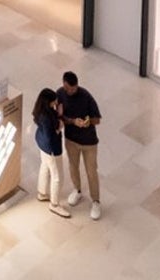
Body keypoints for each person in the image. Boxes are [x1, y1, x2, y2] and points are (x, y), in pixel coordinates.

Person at [57, 71, 103, 220]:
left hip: (89, 141)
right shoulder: (60, 94)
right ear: (64, 85)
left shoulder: (86, 96)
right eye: (68, 88)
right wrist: (72, 121)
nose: (70, 91)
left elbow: (97, 119)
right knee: (73, 165)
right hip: (71, 140)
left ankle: (96, 201)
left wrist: (87, 122)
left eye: (73, 88)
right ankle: (77, 190)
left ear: (77, 85)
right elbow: (59, 116)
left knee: (91, 171)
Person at [33, 88, 72, 218]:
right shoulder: (47, 117)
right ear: (49, 102)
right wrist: (60, 125)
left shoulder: (40, 111)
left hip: (41, 144)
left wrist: (58, 113)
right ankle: (54, 204)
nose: (57, 101)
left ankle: (42, 192)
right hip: (51, 149)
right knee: (57, 176)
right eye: (54, 100)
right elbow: (52, 135)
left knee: (44, 167)